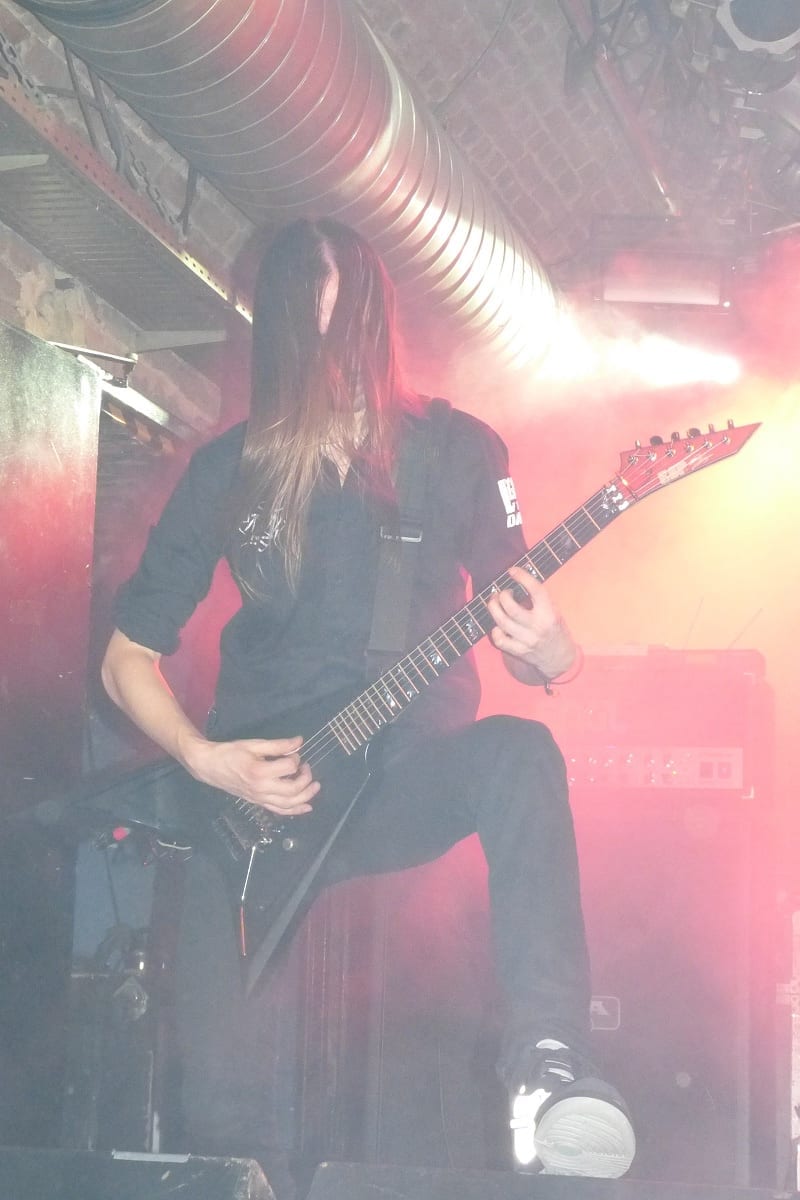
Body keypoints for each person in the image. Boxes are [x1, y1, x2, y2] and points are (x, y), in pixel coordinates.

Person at [101, 217, 636, 1193]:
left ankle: (549, 1067)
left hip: (405, 774)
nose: (328, 350)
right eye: (304, 323)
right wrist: (205, 758)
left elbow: (523, 631)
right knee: (224, 1114)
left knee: (520, 752)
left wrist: (554, 655)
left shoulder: (460, 451)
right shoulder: (230, 468)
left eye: (341, 320)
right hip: (257, 797)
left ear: (377, 322)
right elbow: (126, 656)